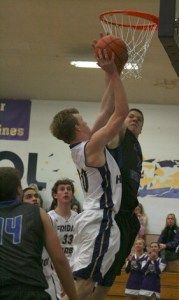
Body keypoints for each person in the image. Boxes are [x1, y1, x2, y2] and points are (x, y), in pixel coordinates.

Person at [49, 50, 129, 300]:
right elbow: (121, 112)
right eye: (82, 120)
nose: (87, 121)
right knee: (83, 286)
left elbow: (107, 107)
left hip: (94, 219)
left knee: (87, 286)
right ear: (77, 127)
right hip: (99, 220)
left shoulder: (84, 147)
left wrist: (110, 72)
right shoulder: (91, 147)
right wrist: (115, 73)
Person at [91, 50, 144, 299]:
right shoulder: (117, 138)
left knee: (110, 276)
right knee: (95, 275)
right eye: (131, 116)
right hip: (111, 217)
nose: (133, 119)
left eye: (138, 119)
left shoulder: (136, 146)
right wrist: (112, 74)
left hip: (128, 219)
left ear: (141, 128)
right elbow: (112, 109)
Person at [0, 166, 78, 300]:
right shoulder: (40, 214)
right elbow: (59, 260)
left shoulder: (74, 217)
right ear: (19, 190)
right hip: (31, 289)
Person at [23, 186, 62, 300]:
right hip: (26, 280)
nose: (34, 199)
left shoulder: (50, 219)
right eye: (29, 197)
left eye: (36, 196)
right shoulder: (17, 222)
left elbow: (56, 253)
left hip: (47, 278)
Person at [48, 179, 78, 299]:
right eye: (62, 189)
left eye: (69, 189)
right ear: (55, 195)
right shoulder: (49, 217)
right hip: (55, 266)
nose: (66, 191)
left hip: (75, 264)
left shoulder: (78, 217)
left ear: (72, 195)